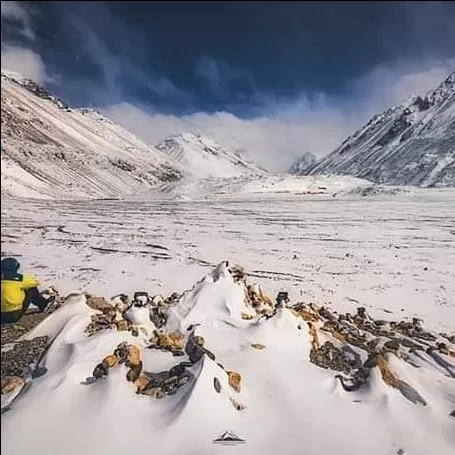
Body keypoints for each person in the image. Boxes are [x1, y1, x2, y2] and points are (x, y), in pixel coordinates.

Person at [1, 257, 54, 324]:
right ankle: (43, 304)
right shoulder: (20, 279)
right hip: (14, 314)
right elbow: (35, 282)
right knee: (31, 288)